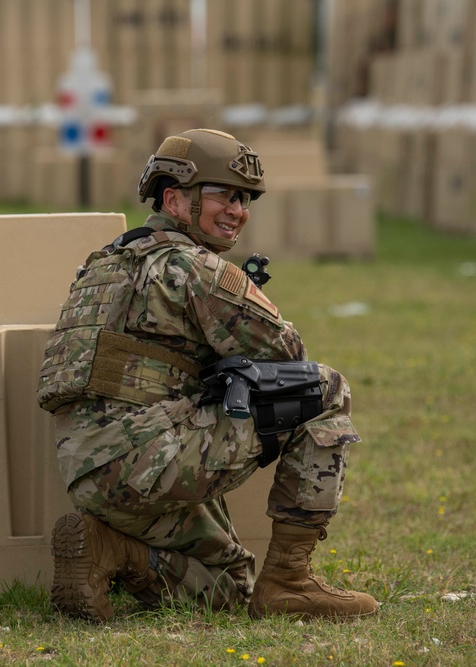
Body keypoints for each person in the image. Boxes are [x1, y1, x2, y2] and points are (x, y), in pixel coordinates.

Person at [37, 128, 378, 622]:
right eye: (223, 195)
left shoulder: (101, 265)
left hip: (90, 475)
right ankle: (289, 580)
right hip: (151, 462)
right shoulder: (194, 268)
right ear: (175, 200)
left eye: (243, 199)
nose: (237, 210)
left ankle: (109, 549)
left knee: (229, 588)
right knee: (324, 390)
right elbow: (289, 355)